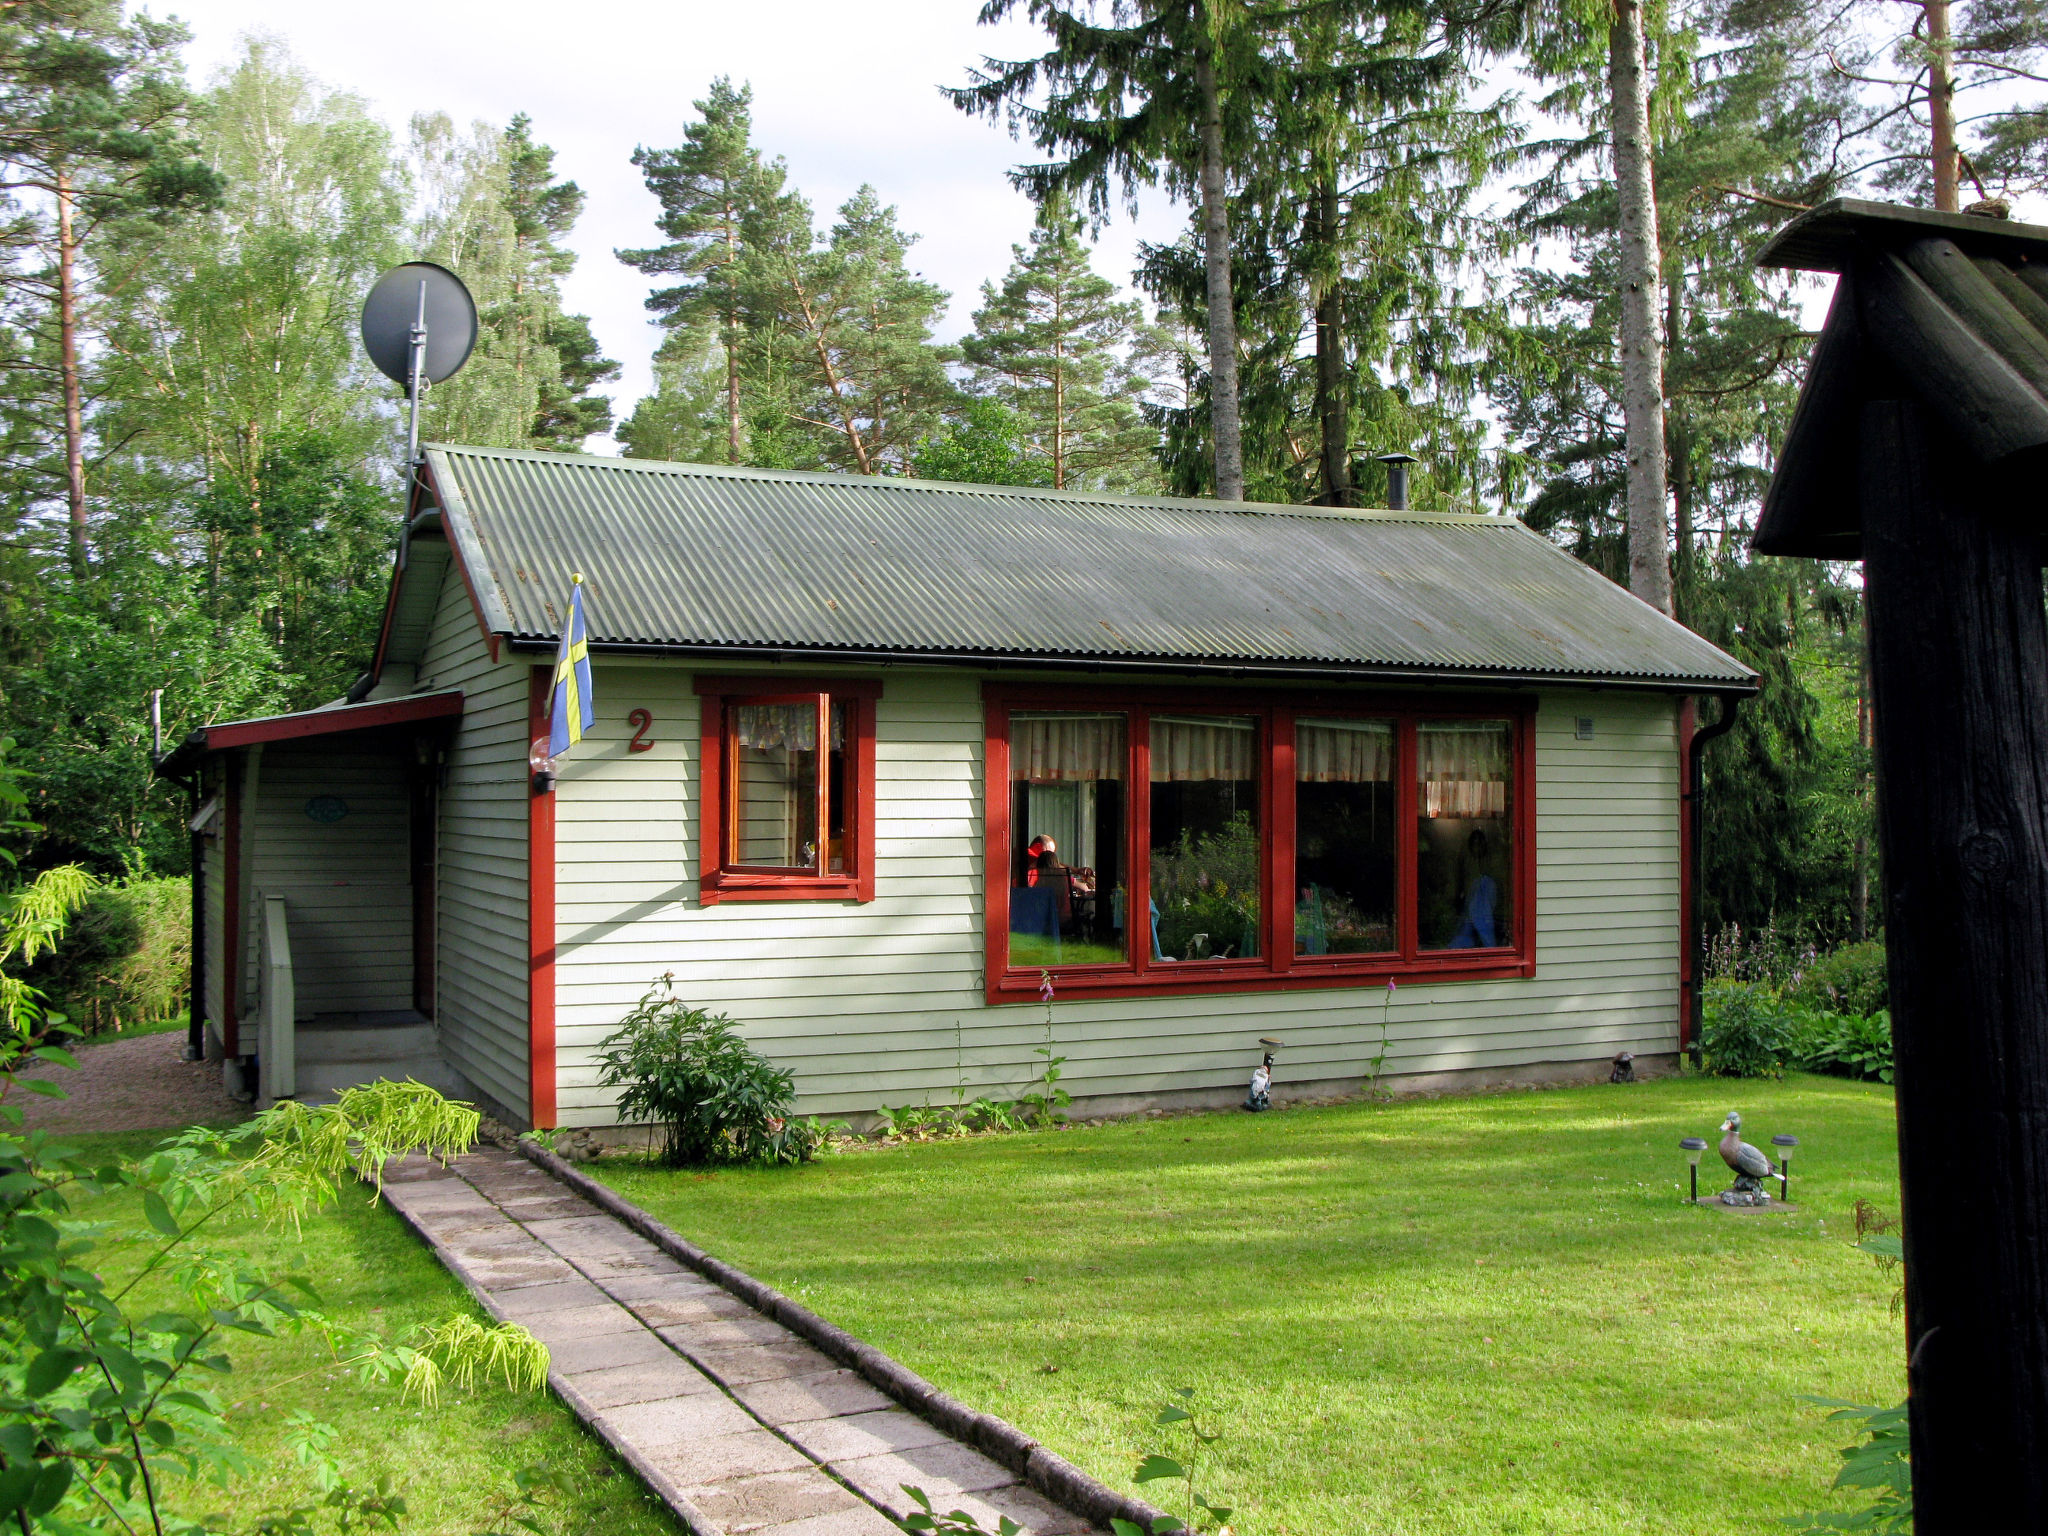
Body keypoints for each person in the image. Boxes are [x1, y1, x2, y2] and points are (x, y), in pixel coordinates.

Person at [1449, 829, 1499, 948]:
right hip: (1470, 914)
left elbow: (1492, 900)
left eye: (1479, 844)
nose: (1477, 848)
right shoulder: (1467, 863)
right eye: (1474, 844)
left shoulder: (1488, 876)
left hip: (1482, 915)